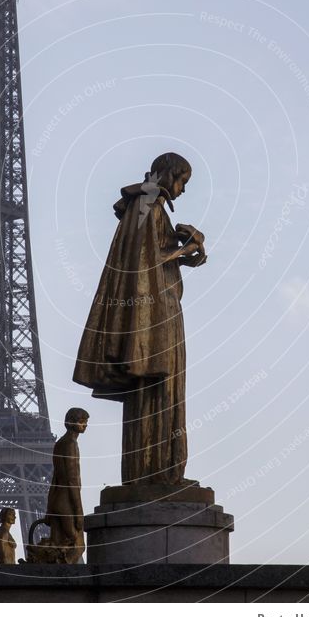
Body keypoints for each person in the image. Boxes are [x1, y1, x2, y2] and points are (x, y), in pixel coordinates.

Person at [73, 152, 206, 485]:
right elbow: (144, 261)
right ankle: (155, 473)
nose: (182, 190)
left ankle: (164, 471)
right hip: (153, 318)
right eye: (182, 181)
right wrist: (183, 250)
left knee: (164, 391)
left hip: (163, 313)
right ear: (166, 174)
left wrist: (191, 254)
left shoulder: (150, 206)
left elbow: (153, 257)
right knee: (157, 391)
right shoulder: (146, 202)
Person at [45, 408, 89, 563]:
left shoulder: (59, 443)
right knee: (78, 545)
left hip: (57, 500)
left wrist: (49, 508)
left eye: (86, 422)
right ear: (72, 421)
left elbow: (55, 478)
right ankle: (65, 581)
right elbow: (72, 480)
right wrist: (78, 512)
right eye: (82, 421)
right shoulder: (71, 444)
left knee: (56, 547)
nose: (85, 425)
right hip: (67, 503)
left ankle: (51, 579)